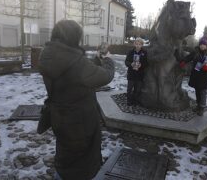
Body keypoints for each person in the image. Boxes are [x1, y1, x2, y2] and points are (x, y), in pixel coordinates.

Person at [38, 20, 115, 180]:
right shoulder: (77, 63)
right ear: (74, 38)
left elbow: (74, 75)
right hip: (80, 123)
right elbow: (105, 76)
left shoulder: (48, 55)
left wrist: (95, 61)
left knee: (65, 154)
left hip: (60, 117)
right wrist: (107, 60)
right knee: (82, 162)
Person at [184, 36, 207, 116]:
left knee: (203, 92)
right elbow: (188, 58)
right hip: (196, 76)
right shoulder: (195, 52)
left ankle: (202, 108)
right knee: (197, 91)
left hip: (204, 77)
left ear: (206, 45)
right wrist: (183, 61)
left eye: (204, 44)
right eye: (201, 44)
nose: (202, 46)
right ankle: (198, 105)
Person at [125, 38, 148, 106]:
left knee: (137, 90)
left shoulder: (144, 52)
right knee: (129, 89)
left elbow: (147, 63)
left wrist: (141, 65)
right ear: (134, 44)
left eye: (139, 44)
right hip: (131, 74)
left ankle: (135, 101)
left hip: (139, 75)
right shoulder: (130, 52)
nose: (138, 45)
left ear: (142, 45)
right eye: (136, 44)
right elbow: (126, 62)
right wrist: (131, 64)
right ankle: (129, 101)